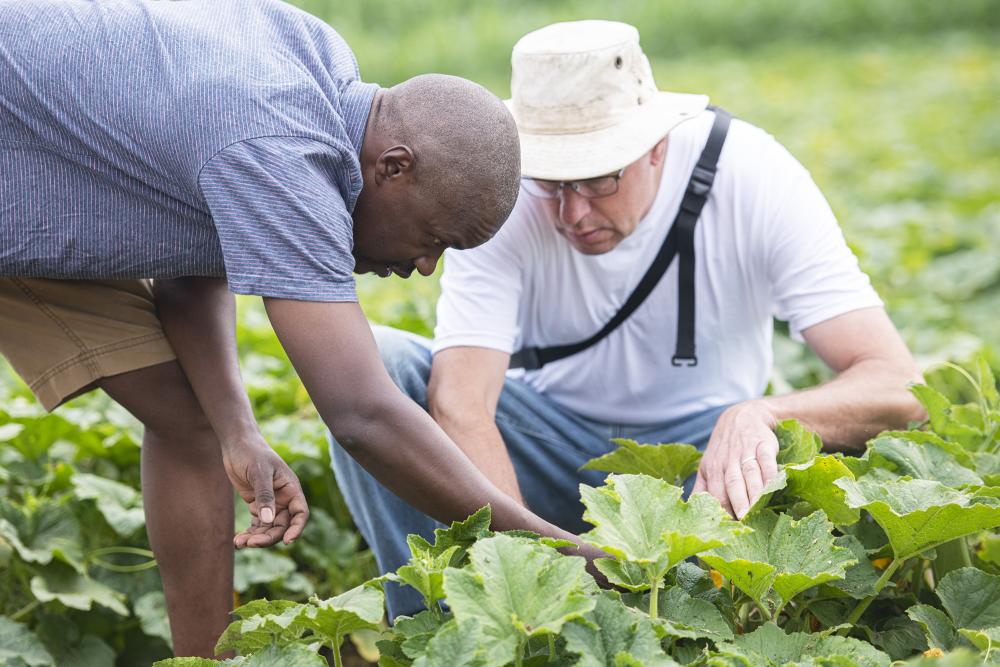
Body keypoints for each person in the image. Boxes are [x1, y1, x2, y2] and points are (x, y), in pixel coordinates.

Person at [1, 0, 587, 656]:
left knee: (192, 421)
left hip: (45, 182)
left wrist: (238, 431)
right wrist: (556, 547)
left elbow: (192, 266)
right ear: (393, 167)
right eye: (433, 238)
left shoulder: (319, 70)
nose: (423, 267)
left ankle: (206, 660)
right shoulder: (280, 139)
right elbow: (362, 413)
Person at [328, 19, 927, 619]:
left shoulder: (753, 174)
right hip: (549, 450)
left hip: (703, 464)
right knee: (376, 368)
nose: (572, 212)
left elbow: (896, 385)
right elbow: (462, 402)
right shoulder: (497, 191)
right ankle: (438, 628)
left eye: (597, 179)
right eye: (552, 182)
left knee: (825, 448)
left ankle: (705, 594)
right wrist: (530, 575)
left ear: (657, 145)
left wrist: (761, 414)